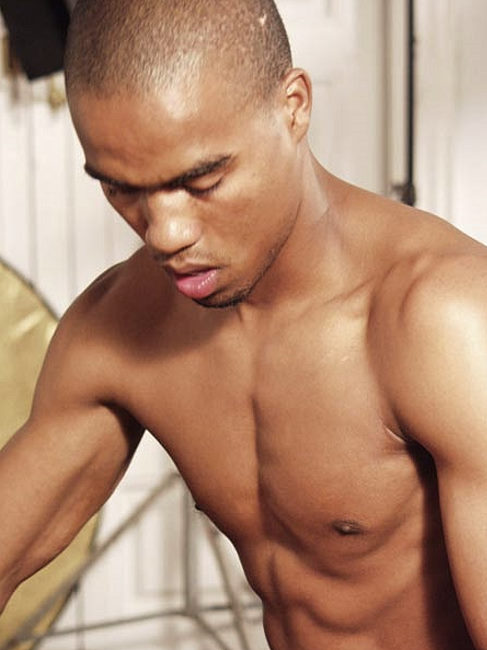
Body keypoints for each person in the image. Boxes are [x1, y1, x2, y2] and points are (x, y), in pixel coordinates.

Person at [1, 0, 486, 647]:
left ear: (293, 107)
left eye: (202, 180)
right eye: (122, 189)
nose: (165, 234)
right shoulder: (120, 325)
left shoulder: (444, 322)